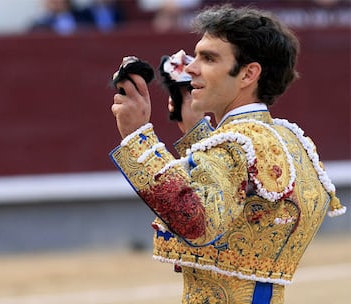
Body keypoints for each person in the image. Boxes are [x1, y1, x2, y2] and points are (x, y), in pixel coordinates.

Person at [110, 4, 346, 303]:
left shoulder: (233, 145)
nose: (192, 67)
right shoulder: (289, 139)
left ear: (248, 73)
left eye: (208, 58)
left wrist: (137, 137)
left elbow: (195, 221)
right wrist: (198, 136)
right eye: (196, 56)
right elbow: (243, 208)